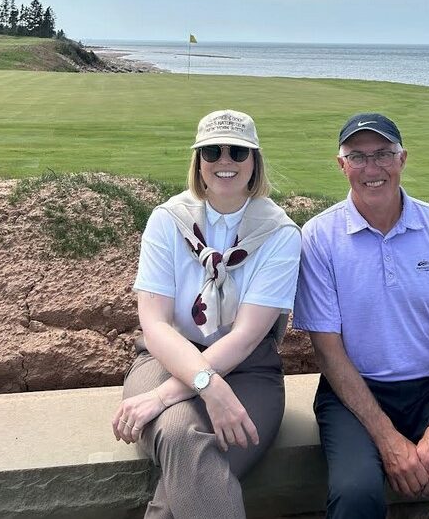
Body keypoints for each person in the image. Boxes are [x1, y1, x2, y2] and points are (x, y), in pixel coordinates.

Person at [292, 112, 429, 519]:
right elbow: (328, 350)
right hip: (352, 394)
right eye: (357, 156)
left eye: (384, 154)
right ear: (342, 165)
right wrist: (389, 441)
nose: (372, 168)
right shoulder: (319, 237)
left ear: (403, 158)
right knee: (355, 496)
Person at [112, 109, 301, 519]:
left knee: (181, 481)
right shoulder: (167, 221)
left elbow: (248, 335)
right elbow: (155, 324)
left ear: (255, 161)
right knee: (182, 433)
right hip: (163, 360)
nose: (225, 161)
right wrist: (209, 386)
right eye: (212, 151)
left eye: (238, 151)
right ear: (198, 161)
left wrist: (168, 397)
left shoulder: (281, 234)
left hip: (250, 371)